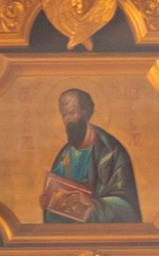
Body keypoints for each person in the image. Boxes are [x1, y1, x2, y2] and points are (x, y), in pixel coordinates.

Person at [39, 89, 139, 226]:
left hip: (103, 236)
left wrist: (93, 206)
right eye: (64, 115)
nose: (67, 119)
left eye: (72, 113)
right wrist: (49, 201)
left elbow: (128, 206)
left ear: (86, 112)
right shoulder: (65, 155)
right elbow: (56, 195)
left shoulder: (111, 151)